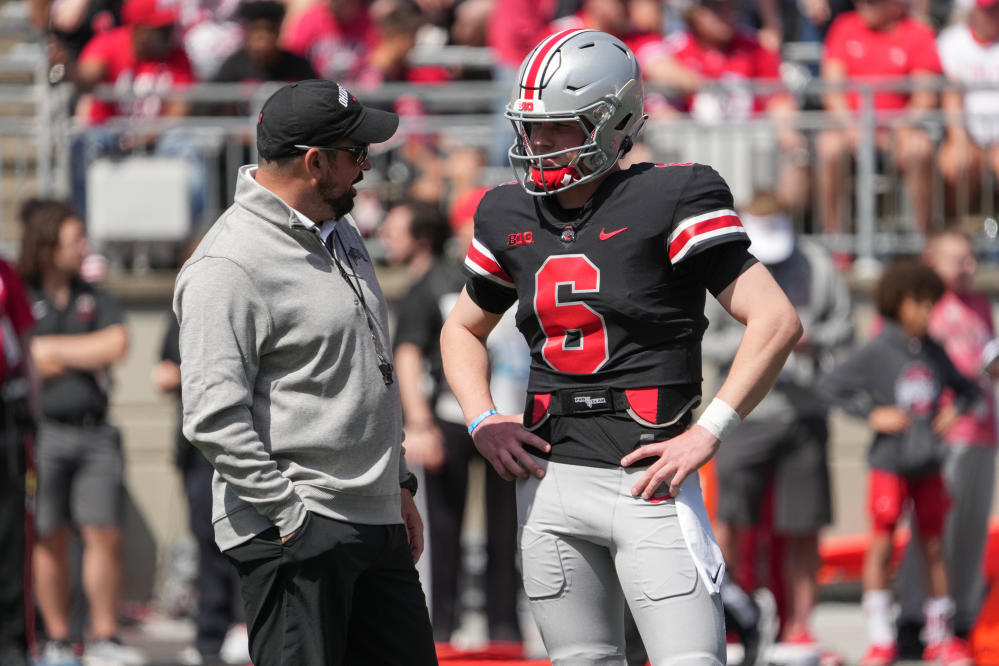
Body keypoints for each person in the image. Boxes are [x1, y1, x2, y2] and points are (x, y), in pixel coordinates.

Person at [439, 29, 802, 664]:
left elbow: (775, 319)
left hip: (649, 483)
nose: (536, 142)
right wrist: (483, 419)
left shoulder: (673, 194)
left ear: (613, 121)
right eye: (531, 126)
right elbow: (460, 328)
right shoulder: (506, 212)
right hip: (550, 484)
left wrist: (710, 430)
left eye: (557, 126)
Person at [173, 79, 438, 666]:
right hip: (298, 527)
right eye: (356, 152)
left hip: (375, 516)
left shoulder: (339, 229)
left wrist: (396, 484)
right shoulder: (228, 262)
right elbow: (213, 417)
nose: (367, 166)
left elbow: (370, 369)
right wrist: (292, 518)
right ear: (315, 163)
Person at [703, 192, 853, 650]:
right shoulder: (725, 263)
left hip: (804, 414)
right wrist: (764, 340)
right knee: (729, 520)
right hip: (742, 415)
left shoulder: (816, 264)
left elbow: (845, 327)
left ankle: (799, 625)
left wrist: (802, 336)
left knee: (803, 523)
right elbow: (707, 337)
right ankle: (726, 618)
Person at [818, 258, 979, 666]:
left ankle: (940, 637)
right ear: (896, 303)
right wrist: (872, 415)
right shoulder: (876, 350)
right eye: (918, 304)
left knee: (932, 544)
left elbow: (968, 389)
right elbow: (830, 387)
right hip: (888, 463)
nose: (926, 313)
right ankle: (880, 637)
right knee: (882, 542)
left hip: (928, 464)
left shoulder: (933, 351)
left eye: (931, 305)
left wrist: (955, 409)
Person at [380, 201, 522, 647]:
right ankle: (442, 627)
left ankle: (505, 627)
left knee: (508, 528)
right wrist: (420, 423)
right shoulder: (439, 281)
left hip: (514, 415)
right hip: (453, 417)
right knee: (443, 529)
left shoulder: (530, 267)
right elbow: (407, 352)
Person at [18, 199, 140, 666]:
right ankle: (58, 637)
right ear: (48, 246)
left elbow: (117, 343)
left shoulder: (94, 294)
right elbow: (27, 356)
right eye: (74, 240)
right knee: (48, 535)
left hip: (95, 432)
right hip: (43, 434)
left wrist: (52, 351)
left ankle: (104, 636)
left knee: (103, 532)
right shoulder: (23, 294)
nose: (83, 248)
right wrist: (79, 351)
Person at [894, 230, 998, 657]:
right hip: (942, 435)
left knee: (972, 532)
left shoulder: (978, 303)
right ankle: (914, 618)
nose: (968, 265)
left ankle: (961, 619)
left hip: (981, 431)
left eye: (971, 257)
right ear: (932, 260)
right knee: (933, 534)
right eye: (958, 257)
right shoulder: (922, 306)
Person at [152, 313, 249, 666]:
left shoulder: (242, 297)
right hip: (196, 447)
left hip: (242, 440)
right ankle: (210, 634)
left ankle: (244, 624)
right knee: (206, 538)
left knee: (244, 533)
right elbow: (164, 372)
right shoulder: (184, 309)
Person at [817, 0, 942, 237]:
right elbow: (832, 91)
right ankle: (835, 236)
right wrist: (853, 127)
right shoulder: (845, 26)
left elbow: (924, 97)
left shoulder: (918, 33)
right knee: (829, 147)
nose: (863, 4)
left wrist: (897, 129)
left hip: (899, 131)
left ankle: (920, 237)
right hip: (851, 127)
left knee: (919, 149)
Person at [0, 254, 39, 666]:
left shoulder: (5, 273)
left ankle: (12, 642)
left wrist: (34, 407)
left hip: (7, 417)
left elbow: (25, 347)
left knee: (11, 534)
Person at [936, 0, 999, 218]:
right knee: (956, 162)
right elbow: (952, 94)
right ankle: (959, 229)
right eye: (987, 10)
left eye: (996, 9)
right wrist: (960, 140)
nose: (992, 15)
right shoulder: (952, 41)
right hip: (968, 135)